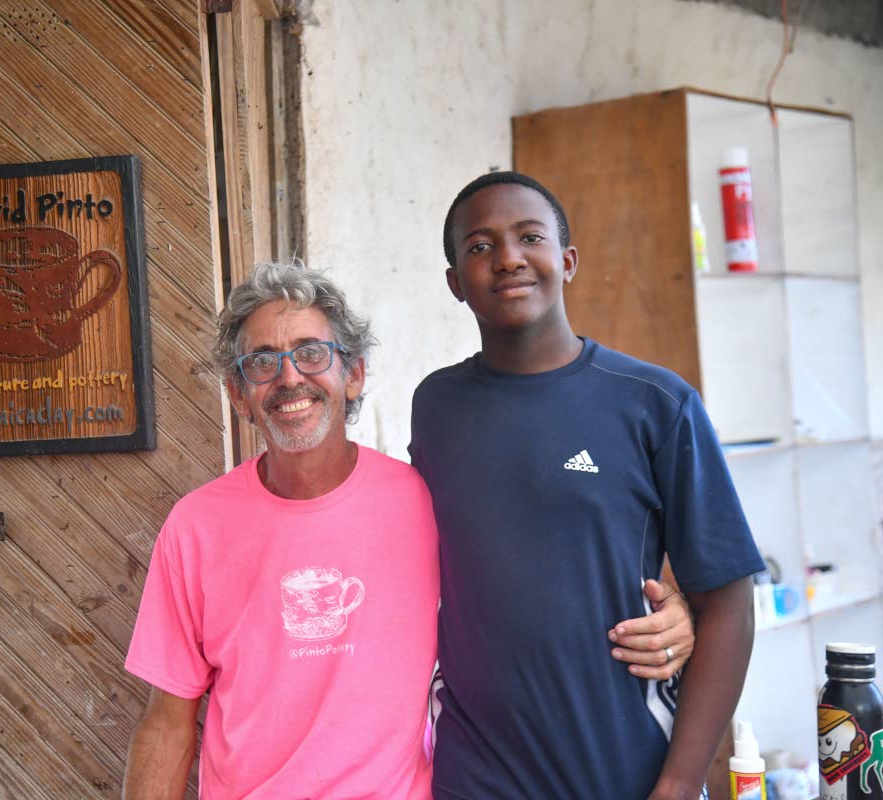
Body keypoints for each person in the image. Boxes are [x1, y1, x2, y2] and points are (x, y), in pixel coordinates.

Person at [122, 261, 695, 798]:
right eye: (263, 362)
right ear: (239, 396)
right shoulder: (196, 527)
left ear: (355, 375)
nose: (289, 377)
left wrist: (674, 608)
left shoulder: (422, 500)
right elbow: (167, 724)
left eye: (312, 353)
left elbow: (543, 574)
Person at [412, 171, 764, 800]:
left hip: (622, 767)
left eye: (529, 237)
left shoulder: (655, 404)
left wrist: (680, 784)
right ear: (454, 283)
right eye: (480, 246)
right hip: (475, 772)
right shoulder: (435, 407)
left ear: (567, 261)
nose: (509, 258)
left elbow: (729, 604)